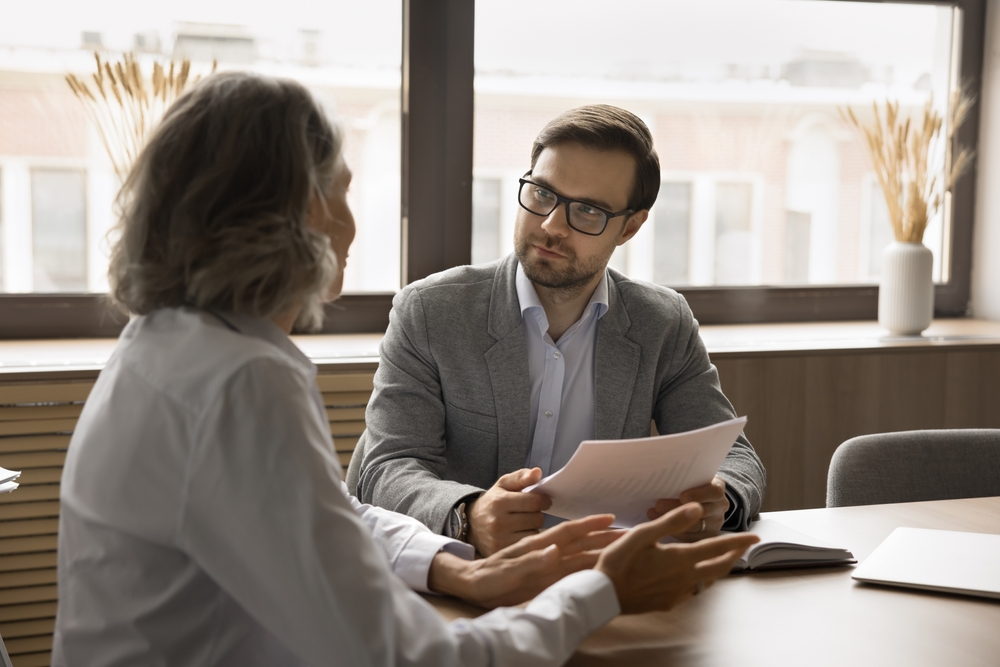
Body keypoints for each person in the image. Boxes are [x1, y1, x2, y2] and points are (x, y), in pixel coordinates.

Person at [52, 73, 758, 666]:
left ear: (630, 224)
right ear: (283, 215)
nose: (352, 225)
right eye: (341, 191)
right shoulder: (241, 382)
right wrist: (601, 588)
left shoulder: (167, 346)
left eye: (585, 210)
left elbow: (327, 510)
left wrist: (454, 567)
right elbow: (408, 655)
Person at [353, 104, 767, 557]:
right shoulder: (432, 312)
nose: (551, 226)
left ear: (630, 226)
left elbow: (736, 456)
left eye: (587, 211)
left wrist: (719, 499)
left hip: (599, 578)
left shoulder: (662, 322)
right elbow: (388, 466)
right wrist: (467, 515)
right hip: (464, 576)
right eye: (542, 193)